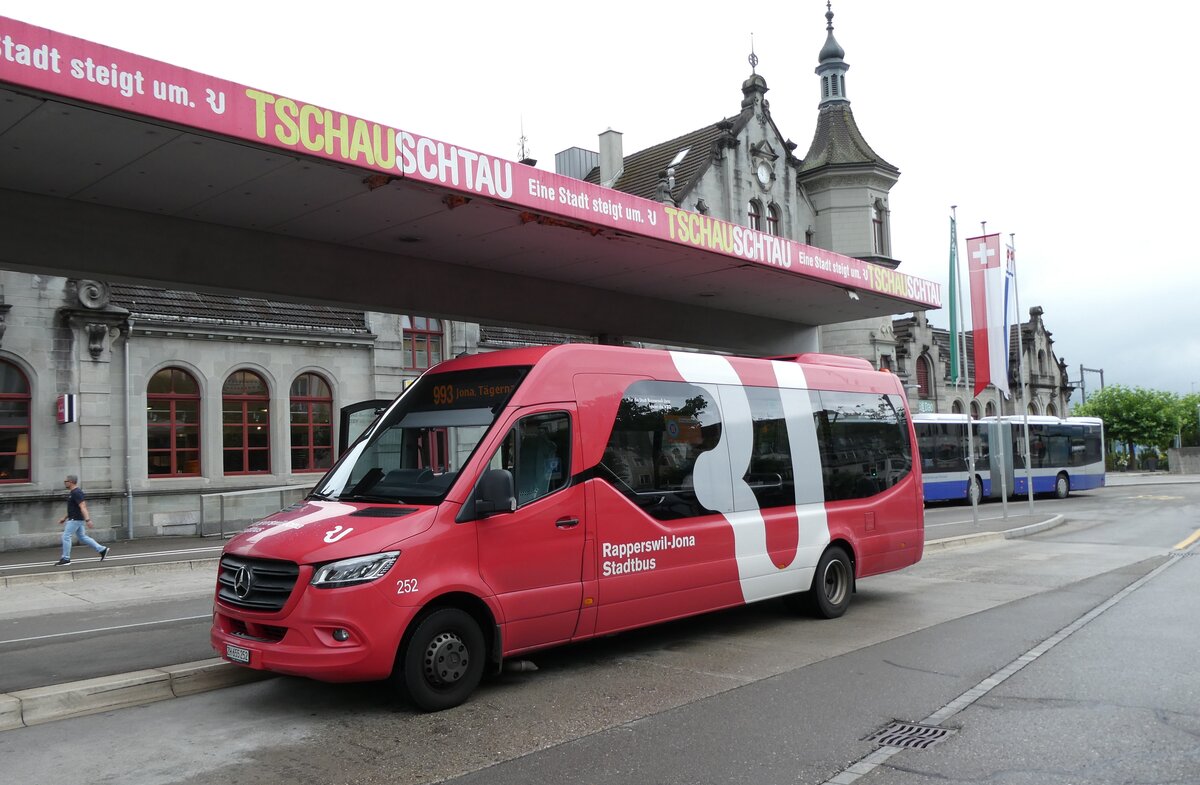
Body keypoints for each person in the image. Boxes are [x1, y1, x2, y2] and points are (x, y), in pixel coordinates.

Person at [55, 474, 108, 566]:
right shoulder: (73, 492)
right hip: (75, 518)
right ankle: (102, 549)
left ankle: (66, 558)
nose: (65, 483)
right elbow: (73, 508)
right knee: (82, 537)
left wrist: (88, 520)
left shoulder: (76, 492)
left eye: (65, 481)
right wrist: (64, 518)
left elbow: (82, 506)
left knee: (66, 536)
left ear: (70, 482)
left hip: (75, 519)